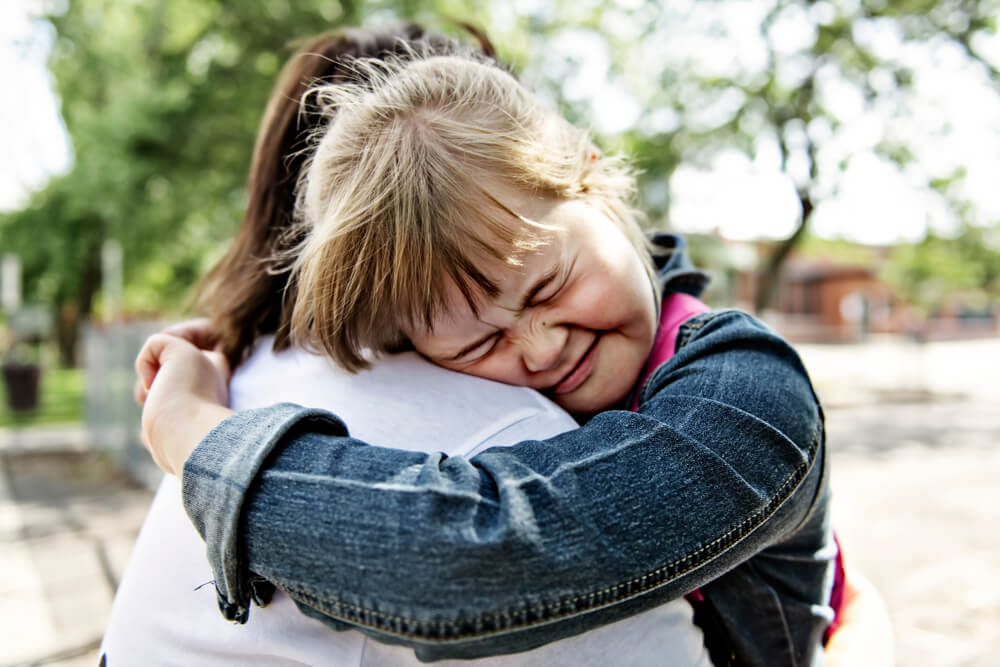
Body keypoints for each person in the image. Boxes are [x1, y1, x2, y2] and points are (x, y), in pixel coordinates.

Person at [137, 46, 839, 666]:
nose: (540, 347)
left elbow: (474, 552)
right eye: (478, 342)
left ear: (590, 178)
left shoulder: (749, 389)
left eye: (550, 284)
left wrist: (193, 430)